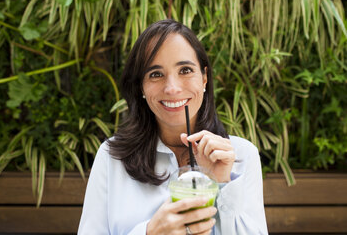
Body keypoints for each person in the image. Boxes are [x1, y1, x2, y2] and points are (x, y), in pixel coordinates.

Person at [78, 19, 268, 235]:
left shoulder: (241, 156)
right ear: (141, 86)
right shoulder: (112, 157)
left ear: (204, 78)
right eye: (156, 74)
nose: (172, 88)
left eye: (185, 70)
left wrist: (221, 184)